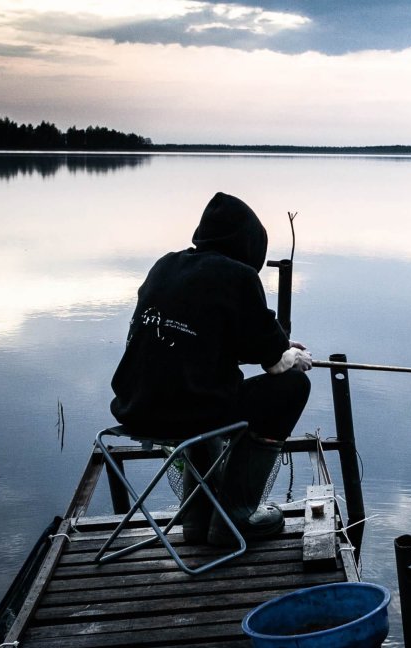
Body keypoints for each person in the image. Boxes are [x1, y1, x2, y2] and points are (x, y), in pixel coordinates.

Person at [110, 191, 312, 545]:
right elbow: (277, 364)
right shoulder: (238, 277)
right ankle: (237, 516)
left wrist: (272, 348)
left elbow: (203, 342)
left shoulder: (165, 265)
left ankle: (196, 519)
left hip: (134, 410)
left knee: (198, 393)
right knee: (292, 388)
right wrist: (291, 356)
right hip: (188, 415)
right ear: (250, 246)